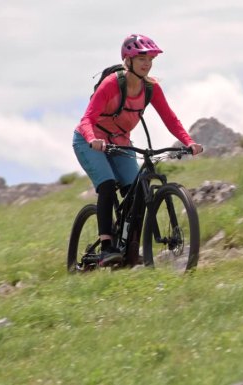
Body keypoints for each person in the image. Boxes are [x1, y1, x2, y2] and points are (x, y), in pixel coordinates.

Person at [73, 33, 203, 266]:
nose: (147, 63)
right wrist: (93, 139)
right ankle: (106, 248)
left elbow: (170, 119)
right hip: (89, 140)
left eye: (150, 59)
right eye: (141, 58)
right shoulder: (112, 84)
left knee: (136, 194)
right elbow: (87, 119)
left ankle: (130, 250)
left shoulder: (151, 88)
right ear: (128, 60)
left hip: (120, 143)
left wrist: (188, 141)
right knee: (107, 184)